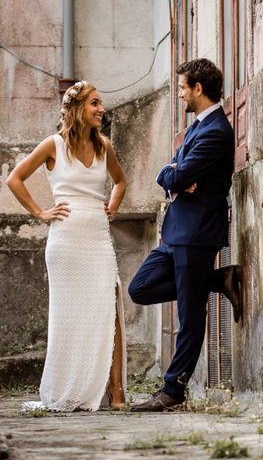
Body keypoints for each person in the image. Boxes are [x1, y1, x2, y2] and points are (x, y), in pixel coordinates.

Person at [128, 58, 242, 412]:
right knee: (140, 288)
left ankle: (173, 392)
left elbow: (176, 176)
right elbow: (170, 171)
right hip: (176, 232)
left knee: (189, 319)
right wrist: (172, 172)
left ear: (198, 88)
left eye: (182, 88)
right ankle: (218, 279)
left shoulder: (216, 131)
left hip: (196, 234)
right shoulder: (198, 127)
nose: (179, 94)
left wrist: (174, 174)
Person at [7, 80, 127, 411]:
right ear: (76, 108)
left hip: (98, 238)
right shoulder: (53, 145)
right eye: (95, 103)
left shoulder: (104, 146)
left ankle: (116, 392)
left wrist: (112, 207)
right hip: (65, 242)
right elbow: (14, 179)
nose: (101, 109)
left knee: (110, 308)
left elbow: (120, 181)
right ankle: (73, 386)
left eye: (101, 103)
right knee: (71, 316)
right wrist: (40, 212)